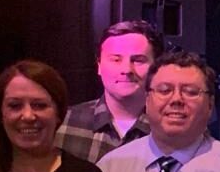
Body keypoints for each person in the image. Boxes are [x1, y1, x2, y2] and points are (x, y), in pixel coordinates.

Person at [59, 20, 164, 164]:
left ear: (156, 68)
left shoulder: (173, 128)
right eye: (116, 59)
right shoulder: (62, 124)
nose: (127, 70)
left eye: (138, 60)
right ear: (99, 66)